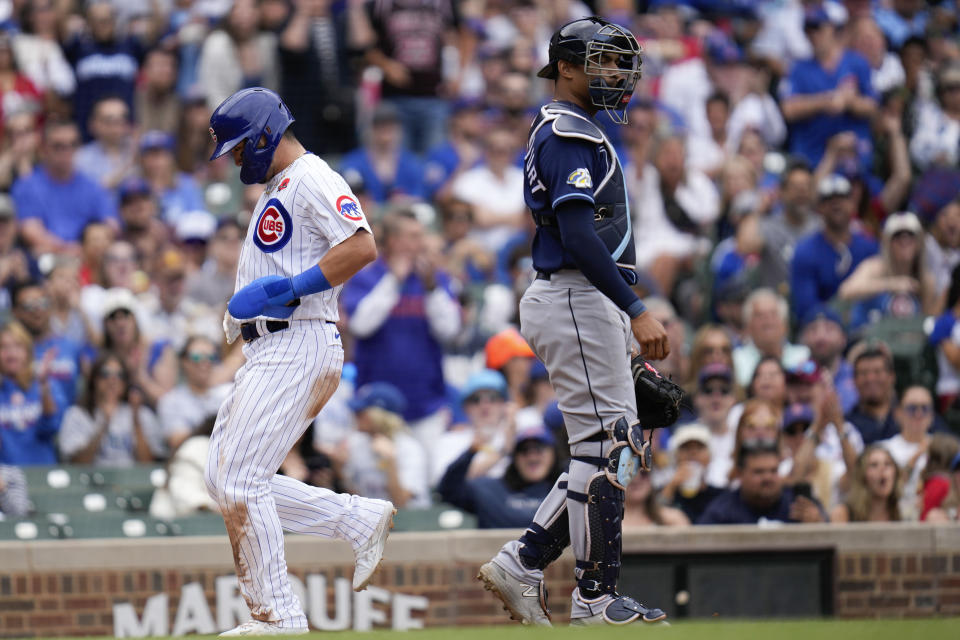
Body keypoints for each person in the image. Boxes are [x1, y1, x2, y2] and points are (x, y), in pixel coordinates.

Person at [477, 18, 671, 627]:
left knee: (611, 447)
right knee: (611, 445)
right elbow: (580, 235)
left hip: (583, 300)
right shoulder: (567, 131)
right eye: (604, 62)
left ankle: (525, 563)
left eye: (621, 63)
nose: (617, 74)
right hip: (576, 294)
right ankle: (592, 597)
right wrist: (636, 311)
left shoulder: (573, 129)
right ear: (566, 67)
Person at [204, 87, 394, 635]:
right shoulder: (279, 186)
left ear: (266, 131)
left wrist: (289, 289)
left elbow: (361, 246)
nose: (237, 158)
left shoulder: (312, 175)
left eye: (240, 146)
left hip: (299, 341)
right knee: (225, 480)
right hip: (273, 345)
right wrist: (247, 312)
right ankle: (356, 520)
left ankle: (277, 618)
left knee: (239, 482)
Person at [11, 120, 117, 254]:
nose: (67, 151)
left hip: (88, 257)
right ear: (43, 149)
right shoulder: (26, 186)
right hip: (48, 260)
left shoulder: (92, 186)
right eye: (58, 146)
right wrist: (67, 250)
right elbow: (30, 231)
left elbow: (111, 225)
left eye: (73, 144)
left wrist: (86, 248)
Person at [439, 423, 563, 529]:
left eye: (539, 449)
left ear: (554, 454)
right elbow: (449, 490)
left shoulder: (566, 492)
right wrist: (471, 451)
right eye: (524, 450)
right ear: (514, 457)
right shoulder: (489, 490)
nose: (532, 457)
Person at [790, 173, 879, 314]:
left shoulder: (870, 247)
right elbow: (806, 309)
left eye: (842, 198)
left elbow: (879, 297)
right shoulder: (805, 252)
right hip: (823, 329)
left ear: (853, 204)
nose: (836, 204)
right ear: (819, 208)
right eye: (828, 199)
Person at [58, 353, 165, 466]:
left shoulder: (141, 414)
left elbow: (148, 465)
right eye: (105, 374)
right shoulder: (77, 414)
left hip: (131, 482)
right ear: (94, 378)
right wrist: (104, 426)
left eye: (120, 375)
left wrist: (136, 420)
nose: (113, 380)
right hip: (89, 481)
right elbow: (77, 463)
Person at [839, 212, 937, 330]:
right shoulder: (874, 267)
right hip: (868, 337)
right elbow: (846, 291)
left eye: (911, 235)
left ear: (919, 243)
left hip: (906, 342)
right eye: (897, 235)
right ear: (887, 243)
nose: (904, 240)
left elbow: (926, 321)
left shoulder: (925, 279)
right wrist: (891, 284)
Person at [340, 382, 430, 510]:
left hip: (410, 522)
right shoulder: (356, 443)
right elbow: (355, 498)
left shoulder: (409, 448)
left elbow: (402, 503)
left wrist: (390, 462)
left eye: (361, 412)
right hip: (371, 520)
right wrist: (339, 467)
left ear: (379, 416)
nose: (355, 415)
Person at [696, 438, 826, 525]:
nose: (768, 478)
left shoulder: (799, 505)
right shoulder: (721, 513)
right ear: (740, 474)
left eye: (773, 471)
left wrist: (818, 524)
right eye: (759, 472)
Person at [0, 321, 63, 466]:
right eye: (4, 347)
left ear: (28, 351)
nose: (11, 352)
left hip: (41, 475)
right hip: (5, 478)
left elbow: (51, 428)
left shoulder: (46, 384)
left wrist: (44, 386)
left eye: (18, 345)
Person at [157, 336, 231, 452]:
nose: (205, 363)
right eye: (197, 357)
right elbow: (175, 441)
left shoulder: (229, 393)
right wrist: (206, 428)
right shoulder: (171, 400)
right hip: (190, 461)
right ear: (184, 362)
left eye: (210, 357)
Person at [732, 288, 810, 387]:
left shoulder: (803, 357)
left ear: (785, 325)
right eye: (759, 315)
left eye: (773, 314)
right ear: (748, 327)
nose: (767, 320)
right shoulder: (736, 360)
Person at [660, 423, 724, 524]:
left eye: (700, 448)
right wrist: (671, 487)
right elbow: (652, 515)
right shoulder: (665, 491)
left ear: (710, 456)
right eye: (686, 448)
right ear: (675, 456)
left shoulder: (720, 496)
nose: (693, 453)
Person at [621, 471, 689, 528]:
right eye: (628, 474)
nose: (636, 479)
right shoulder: (611, 523)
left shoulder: (673, 519)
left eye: (644, 473)